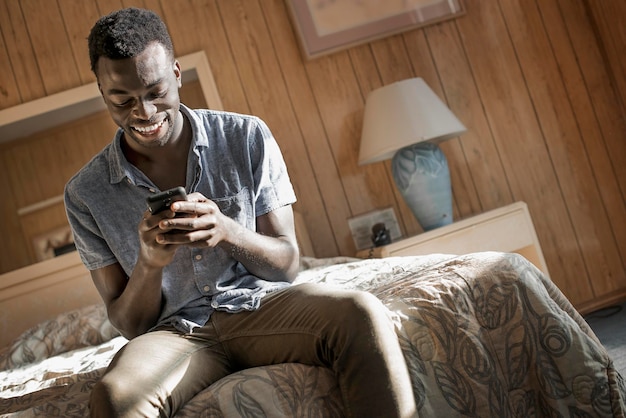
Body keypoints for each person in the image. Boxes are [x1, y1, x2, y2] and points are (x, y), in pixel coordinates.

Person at [64, 7, 416, 417]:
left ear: (177, 74)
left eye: (155, 92)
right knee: (113, 398)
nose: (143, 113)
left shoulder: (246, 137)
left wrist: (227, 231)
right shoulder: (85, 194)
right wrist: (148, 264)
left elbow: (287, 264)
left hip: (263, 309)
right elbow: (130, 326)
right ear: (103, 93)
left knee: (360, 312)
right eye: (122, 100)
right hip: (174, 337)